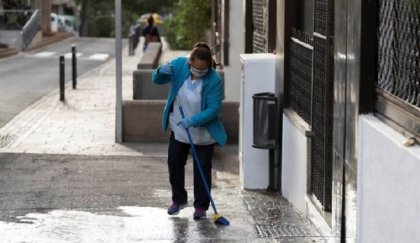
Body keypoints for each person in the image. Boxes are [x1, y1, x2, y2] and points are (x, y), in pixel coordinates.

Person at [152, 42, 226, 220]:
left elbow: (214, 108)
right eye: (195, 69)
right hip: (179, 129)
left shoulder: (214, 80)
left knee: (202, 169)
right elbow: (156, 79)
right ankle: (178, 200)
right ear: (189, 62)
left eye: (203, 70)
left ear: (209, 66)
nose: (199, 72)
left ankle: (201, 206)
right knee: (175, 164)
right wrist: (161, 71)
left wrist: (193, 120)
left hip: (203, 133)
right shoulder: (179, 65)